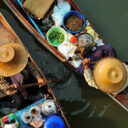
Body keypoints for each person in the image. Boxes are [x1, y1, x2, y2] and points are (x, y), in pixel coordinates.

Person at [0, 43, 44, 108]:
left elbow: (29, 66)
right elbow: (3, 87)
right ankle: (11, 104)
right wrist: (10, 88)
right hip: (12, 86)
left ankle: (29, 97)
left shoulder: (18, 56)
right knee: (19, 103)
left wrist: (38, 77)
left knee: (34, 87)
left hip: (22, 79)